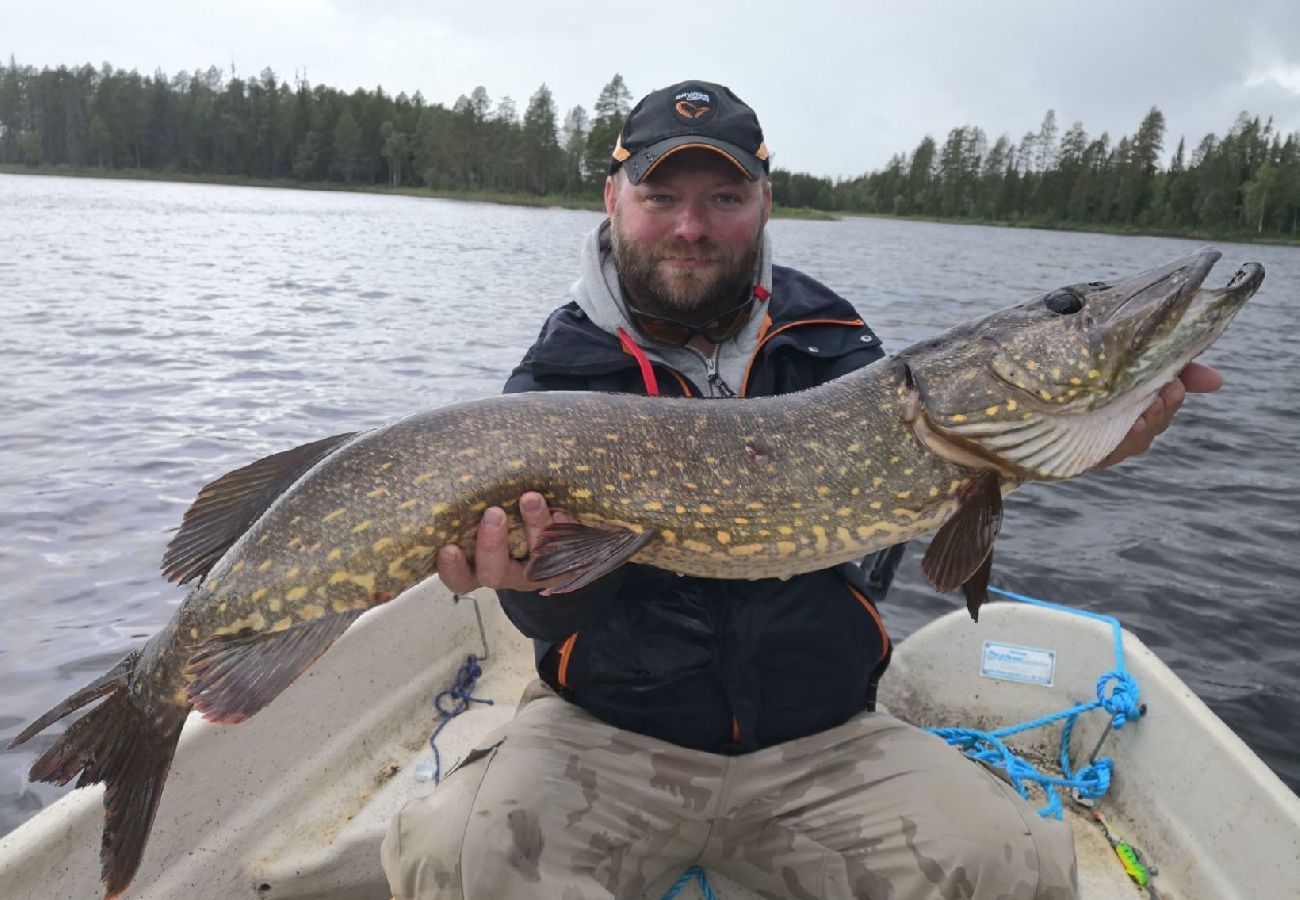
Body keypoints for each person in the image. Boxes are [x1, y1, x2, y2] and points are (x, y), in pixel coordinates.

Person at [381, 80, 1221, 900]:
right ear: (613, 198)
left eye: (723, 197)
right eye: (661, 195)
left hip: (821, 737)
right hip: (605, 735)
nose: (690, 226)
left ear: (766, 202)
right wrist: (532, 587)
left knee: (1011, 865)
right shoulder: (553, 377)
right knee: (453, 862)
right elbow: (543, 613)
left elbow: (882, 558)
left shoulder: (836, 343)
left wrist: (1057, 448)